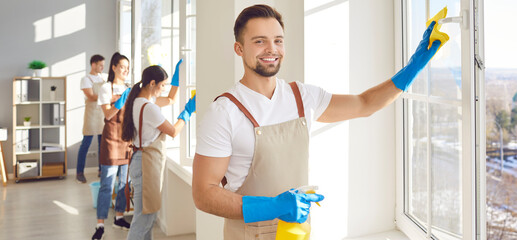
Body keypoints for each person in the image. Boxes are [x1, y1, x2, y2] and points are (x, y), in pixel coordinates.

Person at [191, 4, 443, 239]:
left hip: (297, 231)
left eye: (278, 40)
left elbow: (365, 104)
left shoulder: (302, 96)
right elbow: (204, 194)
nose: (271, 49)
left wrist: (412, 68)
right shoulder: (224, 112)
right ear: (239, 49)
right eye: (259, 41)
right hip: (248, 234)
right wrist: (274, 206)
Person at [121, 63, 196, 240]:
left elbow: (170, 100)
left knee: (147, 216)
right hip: (146, 165)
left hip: (141, 161)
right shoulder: (149, 108)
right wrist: (186, 113)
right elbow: (173, 131)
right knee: (144, 219)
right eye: (162, 85)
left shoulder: (138, 101)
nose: (163, 90)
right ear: (152, 83)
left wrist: (176, 83)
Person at [92, 52, 133, 240]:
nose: (125, 70)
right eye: (122, 67)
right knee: (107, 185)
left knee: (124, 184)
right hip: (110, 141)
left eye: (127, 68)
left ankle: (119, 217)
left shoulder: (129, 89)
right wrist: (120, 100)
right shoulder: (106, 88)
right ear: (114, 67)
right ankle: (100, 224)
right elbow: (108, 115)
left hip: (126, 141)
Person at [77, 54, 105, 183]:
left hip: (102, 114)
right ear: (93, 64)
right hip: (91, 114)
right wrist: (107, 96)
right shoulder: (86, 79)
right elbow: (92, 96)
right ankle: (79, 172)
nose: (102, 67)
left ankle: (101, 170)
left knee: (102, 144)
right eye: (100, 65)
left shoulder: (103, 78)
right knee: (86, 143)